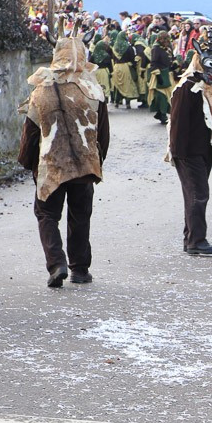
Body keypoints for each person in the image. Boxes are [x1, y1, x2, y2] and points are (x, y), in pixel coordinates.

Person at [18, 30, 110, 287]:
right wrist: (98, 160)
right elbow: (102, 133)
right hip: (84, 163)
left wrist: (28, 163)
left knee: (47, 214)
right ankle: (79, 269)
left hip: (51, 165)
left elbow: (30, 132)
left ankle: (56, 263)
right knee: (80, 214)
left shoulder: (41, 90)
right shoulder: (92, 89)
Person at [165, 50, 212, 256]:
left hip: (204, 148)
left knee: (195, 194)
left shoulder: (209, 88)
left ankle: (191, 238)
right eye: (210, 66)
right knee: (198, 194)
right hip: (188, 151)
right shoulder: (187, 88)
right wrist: (179, 152)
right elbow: (177, 122)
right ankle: (196, 240)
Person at [147, 31, 174, 124]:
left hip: (168, 74)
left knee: (168, 95)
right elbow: (153, 63)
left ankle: (160, 113)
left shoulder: (168, 47)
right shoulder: (156, 49)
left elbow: (171, 58)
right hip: (160, 74)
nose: (167, 41)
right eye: (165, 39)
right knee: (161, 96)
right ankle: (162, 114)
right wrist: (158, 75)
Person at [110, 31, 140, 108]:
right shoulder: (128, 47)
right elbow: (132, 58)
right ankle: (127, 103)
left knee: (117, 85)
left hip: (116, 67)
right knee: (127, 85)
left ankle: (117, 102)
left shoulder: (114, 48)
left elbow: (113, 58)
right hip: (126, 67)